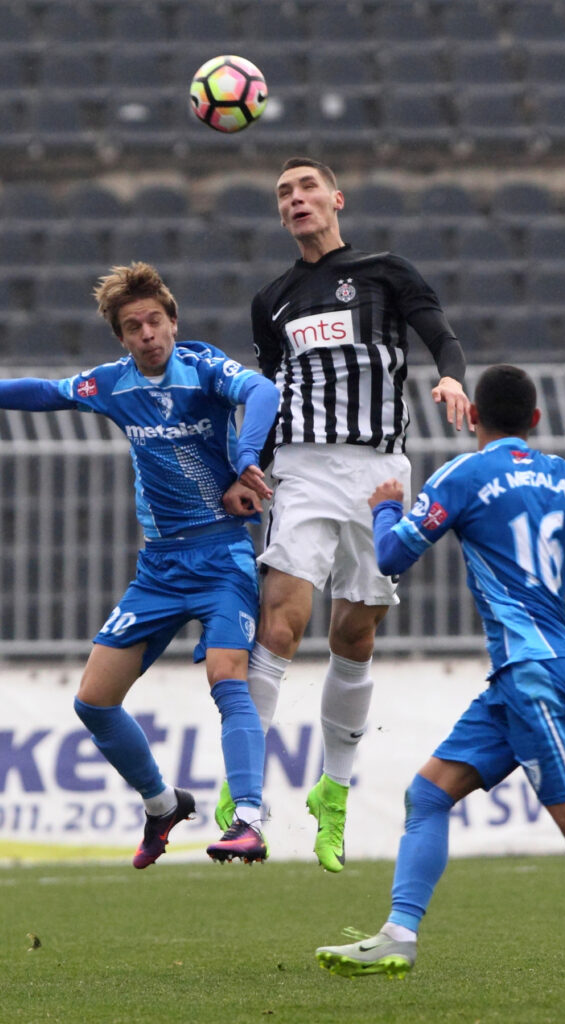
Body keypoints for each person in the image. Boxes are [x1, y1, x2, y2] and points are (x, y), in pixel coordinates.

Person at [0, 261, 280, 868]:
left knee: (227, 679)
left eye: (156, 321)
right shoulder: (112, 385)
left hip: (222, 554)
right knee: (93, 701)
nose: (148, 334)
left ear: (172, 321)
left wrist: (246, 458)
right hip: (160, 568)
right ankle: (163, 805)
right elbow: (41, 392)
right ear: (120, 337)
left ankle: (248, 818)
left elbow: (262, 391)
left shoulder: (202, 367)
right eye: (134, 326)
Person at [218, 156, 473, 872]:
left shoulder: (386, 272)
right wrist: (252, 466)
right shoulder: (271, 299)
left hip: (377, 473)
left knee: (352, 636)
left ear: (335, 199)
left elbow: (438, 335)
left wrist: (451, 375)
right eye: (282, 193)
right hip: (301, 468)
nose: (294, 200)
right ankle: (245, 800)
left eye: (305, 188)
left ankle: (332, 790)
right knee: (280, 622)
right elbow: (272, 389)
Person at [316, 363, 565, 978]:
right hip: (531, 671)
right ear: (536, 421)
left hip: (530, 671)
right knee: (427, 794)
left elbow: (391, 553)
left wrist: (385, 508)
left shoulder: (465, 473)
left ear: (473, 418)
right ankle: (399, 934)